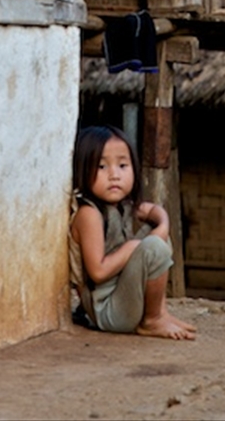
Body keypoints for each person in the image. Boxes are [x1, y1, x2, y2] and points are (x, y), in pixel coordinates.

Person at [69, 124, 196, 341]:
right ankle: (151, 320)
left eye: (122, 165)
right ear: (82, 168)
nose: (114, 175)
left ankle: (159, 312)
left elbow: (154, 211)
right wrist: (132, 248)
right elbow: (97, 272)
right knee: (153, 246)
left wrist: (163, 225)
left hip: (124, 299)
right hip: (107, 311)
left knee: (158, 236)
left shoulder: (123, 205)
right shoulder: (88, 214)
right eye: (101, 167)